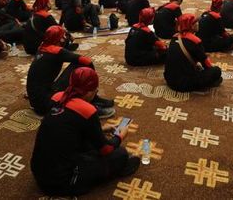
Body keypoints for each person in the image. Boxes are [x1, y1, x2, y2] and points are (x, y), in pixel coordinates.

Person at [30, 67, 139, 196]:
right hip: (61, 182)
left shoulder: (57, 98)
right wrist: (121, 136)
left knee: (88, 145)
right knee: (120, 153)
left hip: (38, 172)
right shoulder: (87, 110)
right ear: (89, 92)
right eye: (95, 90)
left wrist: (101, 130)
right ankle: (115, 168)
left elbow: (67, 128)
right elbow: (106, 149)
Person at [27, 26, 114, 117]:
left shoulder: (42, 47)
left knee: (78, 67)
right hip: (46, 104)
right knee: (84, 67)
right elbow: (87, 61)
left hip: (36, 100)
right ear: (60, 39)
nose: (65, 38)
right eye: (63, 36)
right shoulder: (57, 51)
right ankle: (89, 101)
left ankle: (93, 97)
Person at [164, 14, 222, 92]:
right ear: (191, 26)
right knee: (216, 71)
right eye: (195, 22)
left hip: (169, 79)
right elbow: (206, 65)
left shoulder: (174, 37)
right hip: (182, 84)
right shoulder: (195, 41)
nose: (198, 24)